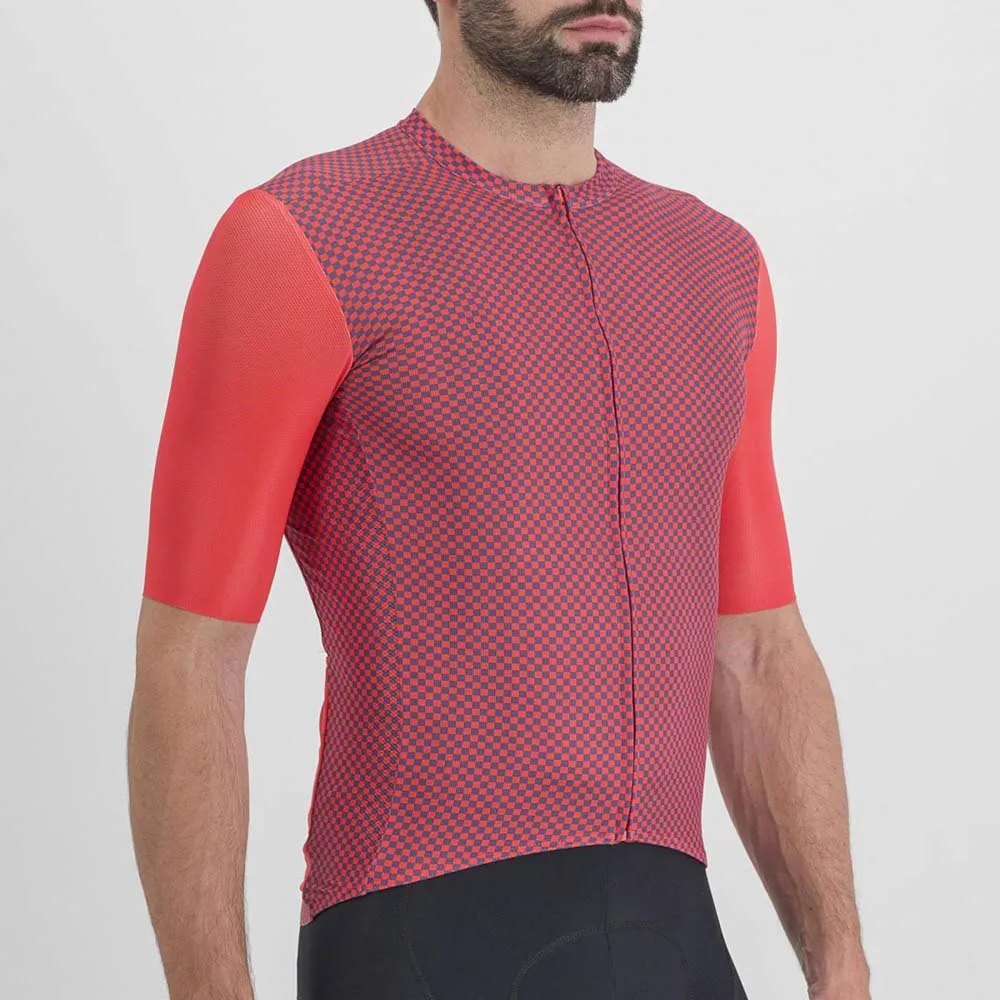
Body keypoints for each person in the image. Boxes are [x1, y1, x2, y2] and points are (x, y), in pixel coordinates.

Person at [128, 1, 872, 998]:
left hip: (675, 945)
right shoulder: (306, 238)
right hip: (420, 948)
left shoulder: (715, 266)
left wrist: (841, 965)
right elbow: (191, 662)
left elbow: (760, 649)